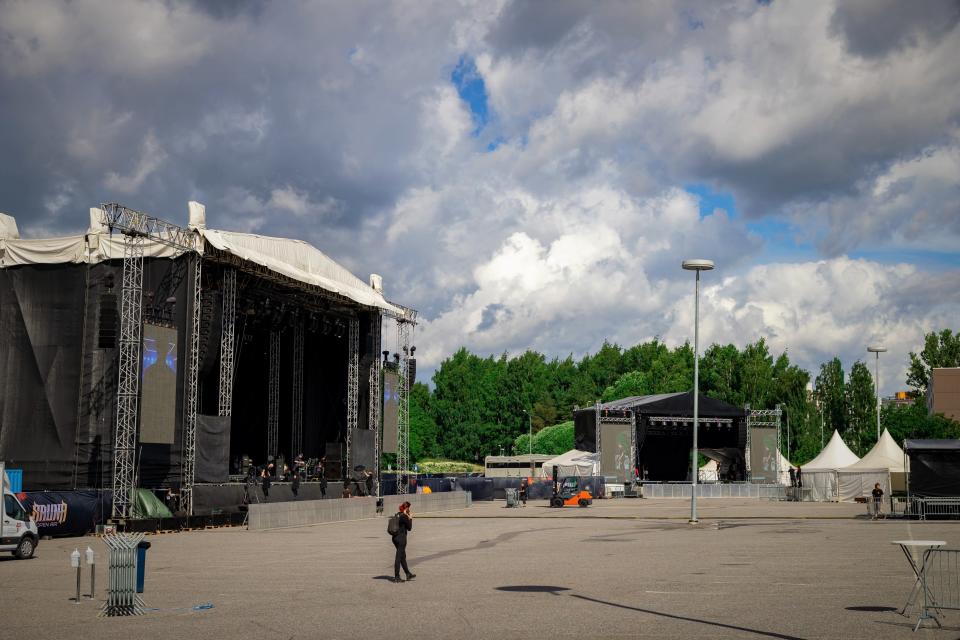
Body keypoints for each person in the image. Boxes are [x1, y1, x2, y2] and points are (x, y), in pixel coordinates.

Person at [391, 502, 416, 583]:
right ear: (407, 508)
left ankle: (408, 574)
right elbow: (409, 528)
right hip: (401, 539)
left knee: (402, 556)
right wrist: (410, 518)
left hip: (395, 538)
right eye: (408, 508)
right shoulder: (404, 516)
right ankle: (397, 577)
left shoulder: (398, 514)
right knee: (398, 557)